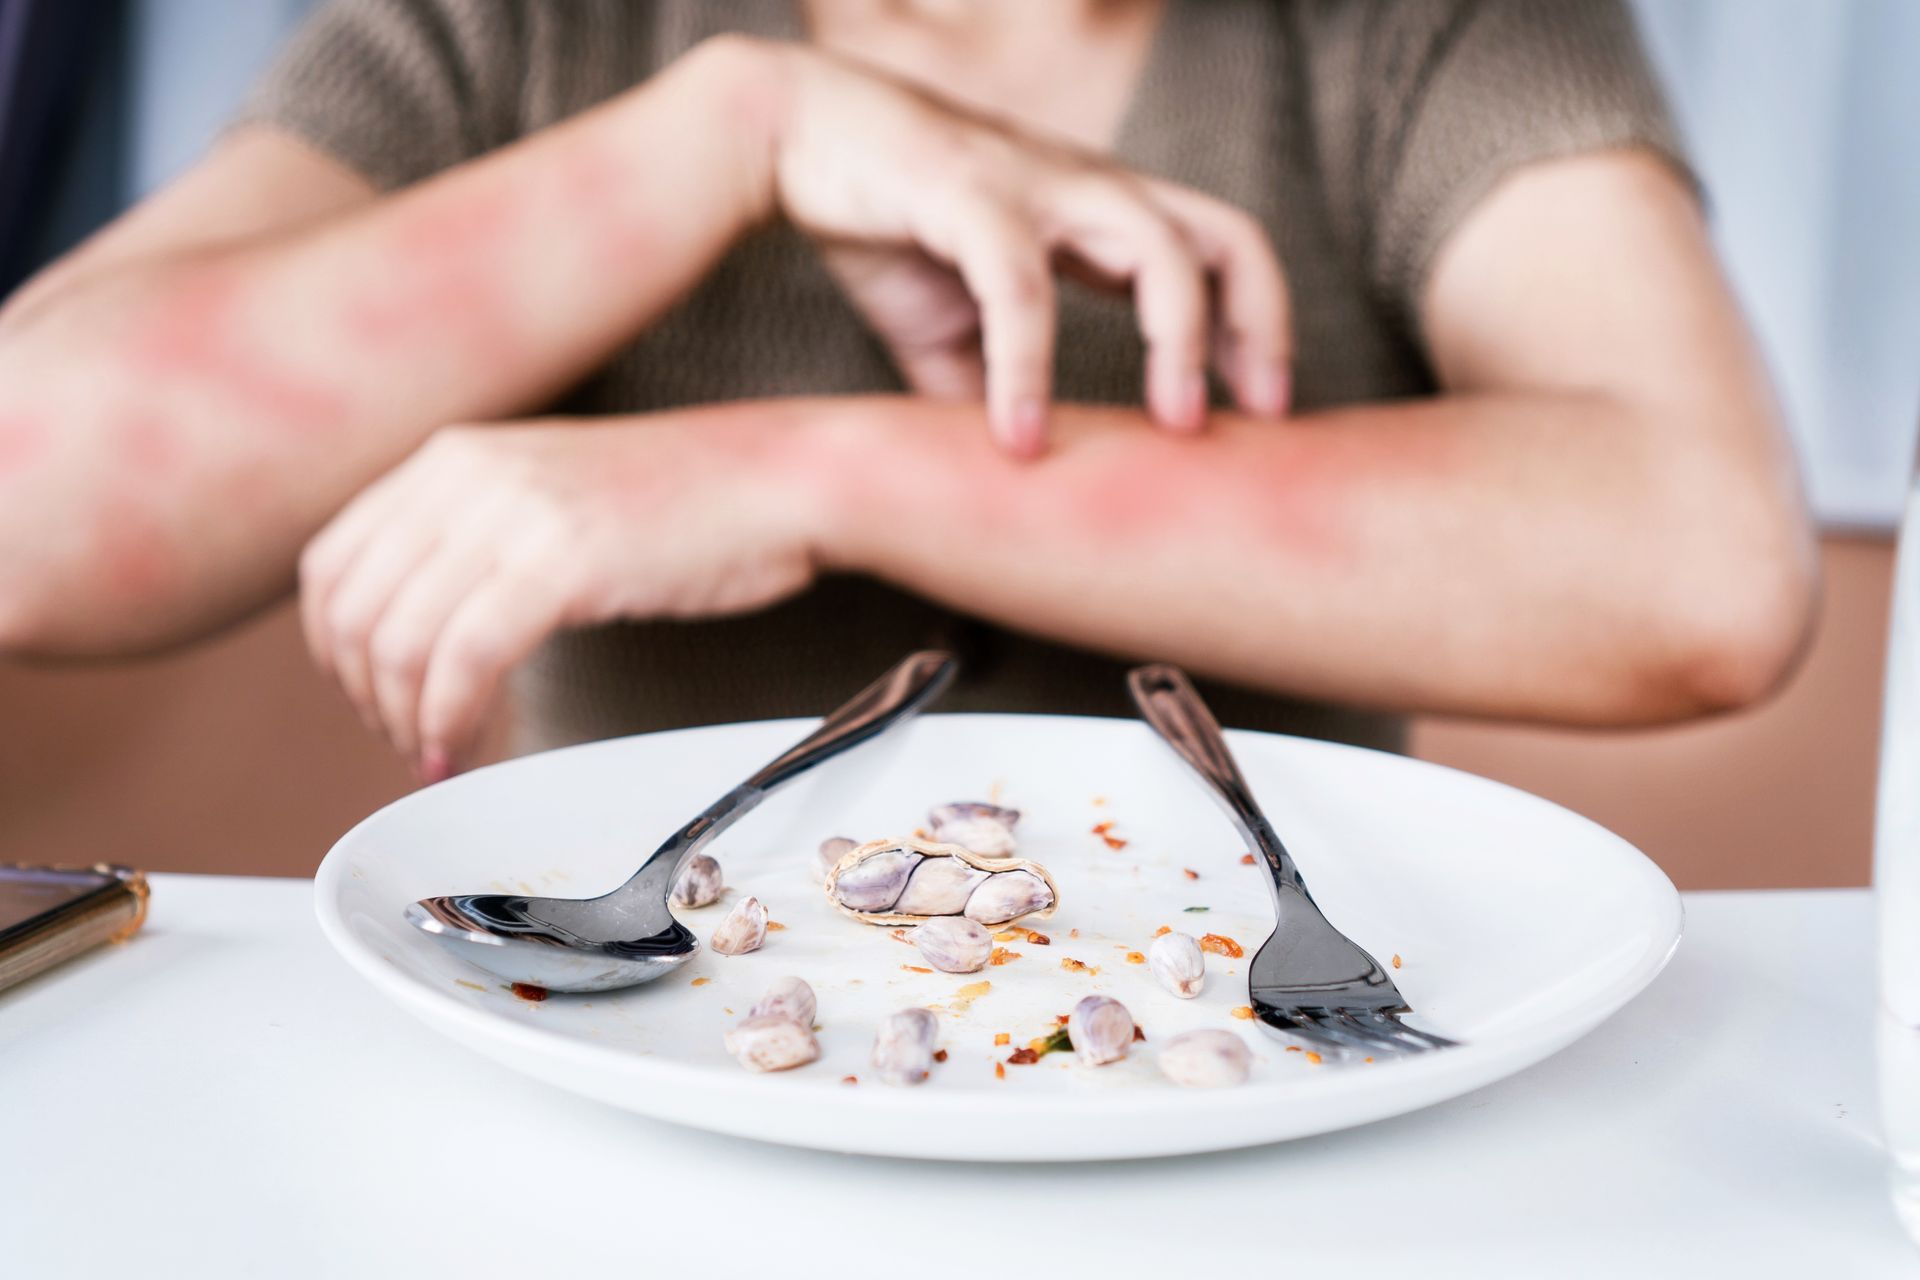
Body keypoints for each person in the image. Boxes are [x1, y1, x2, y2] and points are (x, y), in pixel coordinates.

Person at [0, 0, 1815, 784]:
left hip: (1252, 1130)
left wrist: (817, 470)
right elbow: (32, 504)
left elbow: (1700, 564)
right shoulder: (520, 25)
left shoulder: (1421, 25)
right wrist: (732, 131)